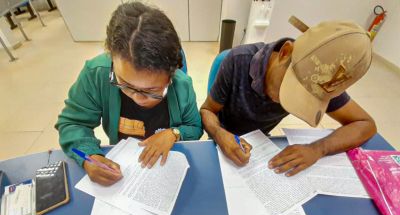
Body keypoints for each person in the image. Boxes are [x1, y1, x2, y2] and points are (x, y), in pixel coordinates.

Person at [200, 17, 377, 177]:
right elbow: (208, 110)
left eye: (307, 100)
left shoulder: (323, 80)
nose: (284, 102)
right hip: (223, 141)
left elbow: (365, 125)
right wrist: (219, 133)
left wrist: (318, 149)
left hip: (261, 146)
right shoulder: (238, 60)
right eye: (290, 89)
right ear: (285, 53)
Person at [56, 2, 203, 186]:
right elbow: (73, 123)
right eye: (125, 84)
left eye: (152, 91)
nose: (138, 98)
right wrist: (89, 155)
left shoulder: (182, 86)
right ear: (111, 58)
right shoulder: (96, 74)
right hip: (124, 169)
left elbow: (194, 127)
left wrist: (174, 133)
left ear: (171, 75)